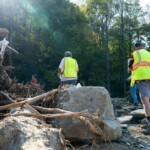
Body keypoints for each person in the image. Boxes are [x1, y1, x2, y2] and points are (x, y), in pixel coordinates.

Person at [128, 41, 150, 135]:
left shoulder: (134, 54)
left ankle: (149, 122)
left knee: (145, 101)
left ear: (136, 47)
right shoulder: (148, 53)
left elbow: (130, 68)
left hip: (142, 79)